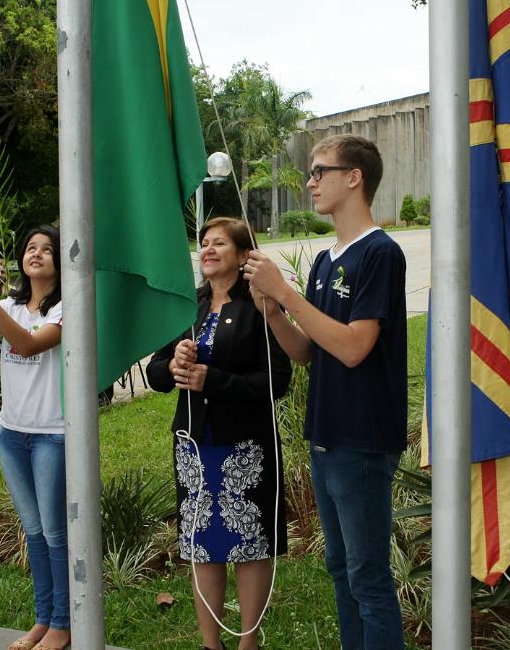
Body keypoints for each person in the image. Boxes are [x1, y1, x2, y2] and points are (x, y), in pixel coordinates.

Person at [243, 134, 407, 650]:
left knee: (367, 575)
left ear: (354, 177)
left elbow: (357, 347)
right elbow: (310, 351)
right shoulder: (323, 260)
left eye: (320, 171)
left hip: (362, 436)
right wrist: (274, 312)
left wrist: (285, 293)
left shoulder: (380, 253)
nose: (310, 182)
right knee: (339, 567)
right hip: (327, 432)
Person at [147, 217, 291, 650]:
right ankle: (211, 644)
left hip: (245, 445)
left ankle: (248, 644)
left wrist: (215, 380)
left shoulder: (261, 305)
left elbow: (277, 382)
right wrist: (172, 367)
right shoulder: (186, 306)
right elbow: (155, 371)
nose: (208, 250)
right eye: (204, 243)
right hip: (194, 444)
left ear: (244, 255)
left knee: (250, 543)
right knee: (200, 545)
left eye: (220, 244)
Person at [0, 226, 70, 650]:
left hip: (52, 436)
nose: (36, 253)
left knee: (56, 534)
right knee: (35, 532)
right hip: (13, 434)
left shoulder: (66, 307)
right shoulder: (13, 303)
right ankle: (44, 620)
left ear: (61, 260)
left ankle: (63, 623)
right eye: (30, 247)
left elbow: (25, 345)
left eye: (47, 249)